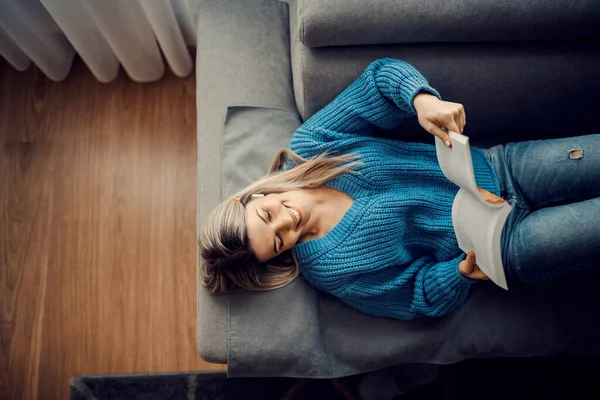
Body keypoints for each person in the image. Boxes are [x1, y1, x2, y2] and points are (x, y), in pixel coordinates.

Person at [198, 58, 600, 320]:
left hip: (504, 168)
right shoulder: (330, 270)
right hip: (504, 246)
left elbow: (378, 81)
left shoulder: (309, 147)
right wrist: (459, 274)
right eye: (280, 241)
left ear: (250, 197)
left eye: (269, 216)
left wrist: (421, 100)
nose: (289, 222)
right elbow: (416, 296)